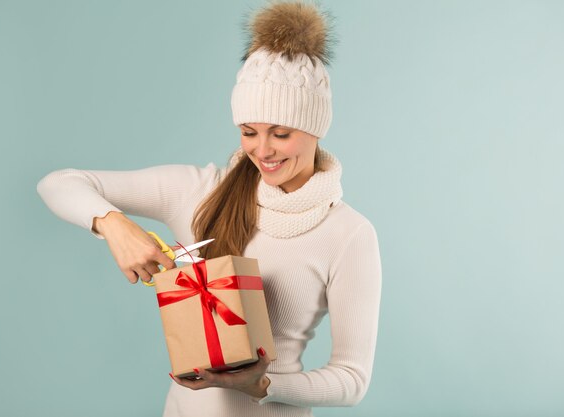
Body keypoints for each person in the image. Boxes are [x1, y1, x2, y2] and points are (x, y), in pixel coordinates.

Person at [37, 2, 381, 416]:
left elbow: (352, 380)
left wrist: (264, 384)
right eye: (249, 132)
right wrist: (114, 225)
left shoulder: (348, 234)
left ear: (315, 128)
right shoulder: (199, 191)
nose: (263, 150)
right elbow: (58, 183)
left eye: (282, 133)